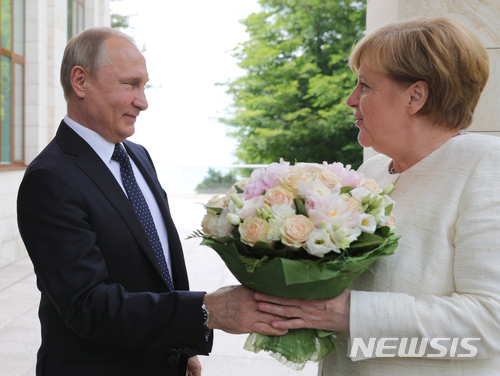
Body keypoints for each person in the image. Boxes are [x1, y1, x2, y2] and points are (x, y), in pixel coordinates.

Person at [17, 27, 286, 376]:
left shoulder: (138, 156)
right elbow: (88, 305)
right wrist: (207, 311)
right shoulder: (50, 179)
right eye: (130, 84)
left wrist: (181, 346)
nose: (143, 101)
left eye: (144, 86)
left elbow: (159, 269)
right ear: (80, 81)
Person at [255, 16, 500, 375]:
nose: (351, 99)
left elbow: (489, 323)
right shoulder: (370, 172)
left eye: (365, 86)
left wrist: (350, 313)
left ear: (415, 96)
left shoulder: (486, 166)